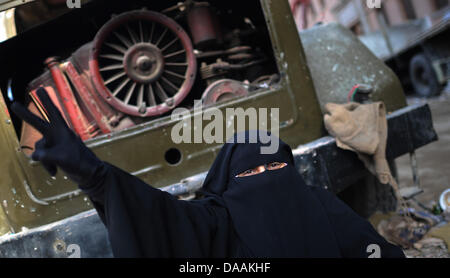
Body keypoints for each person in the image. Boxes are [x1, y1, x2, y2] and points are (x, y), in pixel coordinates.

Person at [11, 87, 405, 258]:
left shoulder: (321, 208)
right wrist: (95, 177)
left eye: (276, 167)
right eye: (254, 172)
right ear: (229, 185)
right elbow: (159, 219)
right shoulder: (216, 223)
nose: (268, 177)